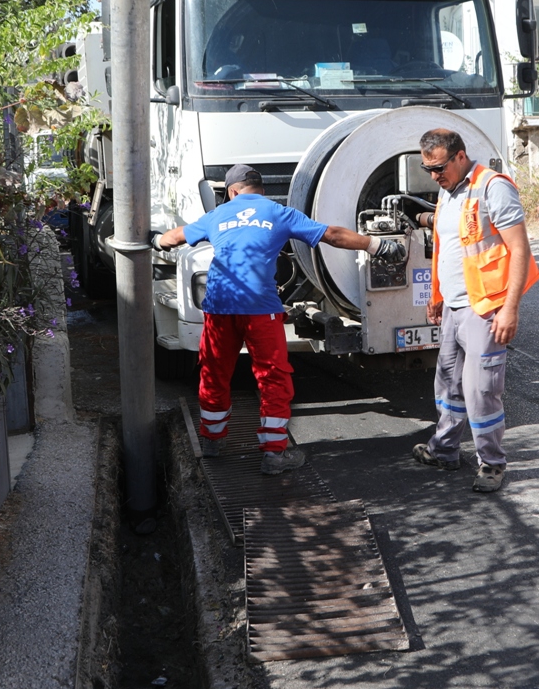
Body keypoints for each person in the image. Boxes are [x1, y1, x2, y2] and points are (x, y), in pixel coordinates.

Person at [154, 164, 405, 474]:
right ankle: (274, 453)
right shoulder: (278, 212)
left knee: (214, 373)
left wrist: (155, 241)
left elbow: (174, 237)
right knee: (273, 377)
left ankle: (212, 440)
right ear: (261, 190)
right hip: (261, 309)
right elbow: (333, 236)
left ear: (233, 192)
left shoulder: (219, 214)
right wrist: (378, 245)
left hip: (219, 308)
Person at [409, 129, 539, 492]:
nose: (433, 175)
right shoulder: (447, 191)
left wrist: (509, 309)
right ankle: (445, 449)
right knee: (448, 383)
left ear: (460, 156)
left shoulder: (493, 187)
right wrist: (436, 295)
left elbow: (519, 250)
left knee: (481, 390)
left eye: (438, 167)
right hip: (453, 305)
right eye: (427, 168)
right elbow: (445, 246)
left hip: (485, 308)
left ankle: (492, 464)